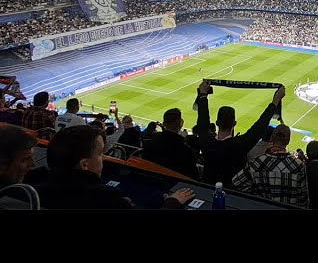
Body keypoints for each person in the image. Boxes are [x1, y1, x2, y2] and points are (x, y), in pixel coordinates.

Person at [35, 125, 194, 209]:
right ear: (84, 164)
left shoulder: (35, 186)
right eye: (100, 153)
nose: (103, 158)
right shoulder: (105, 198)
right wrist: (172, 203)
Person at [195, 80, 285, 186]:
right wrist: (275, 101)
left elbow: (203, 121)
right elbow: (259, 126)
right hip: (235, 193)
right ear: (234, 123)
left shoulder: (207, 141)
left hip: (208, 189)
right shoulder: (239, 144)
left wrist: (203, 95)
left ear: (217, 123)